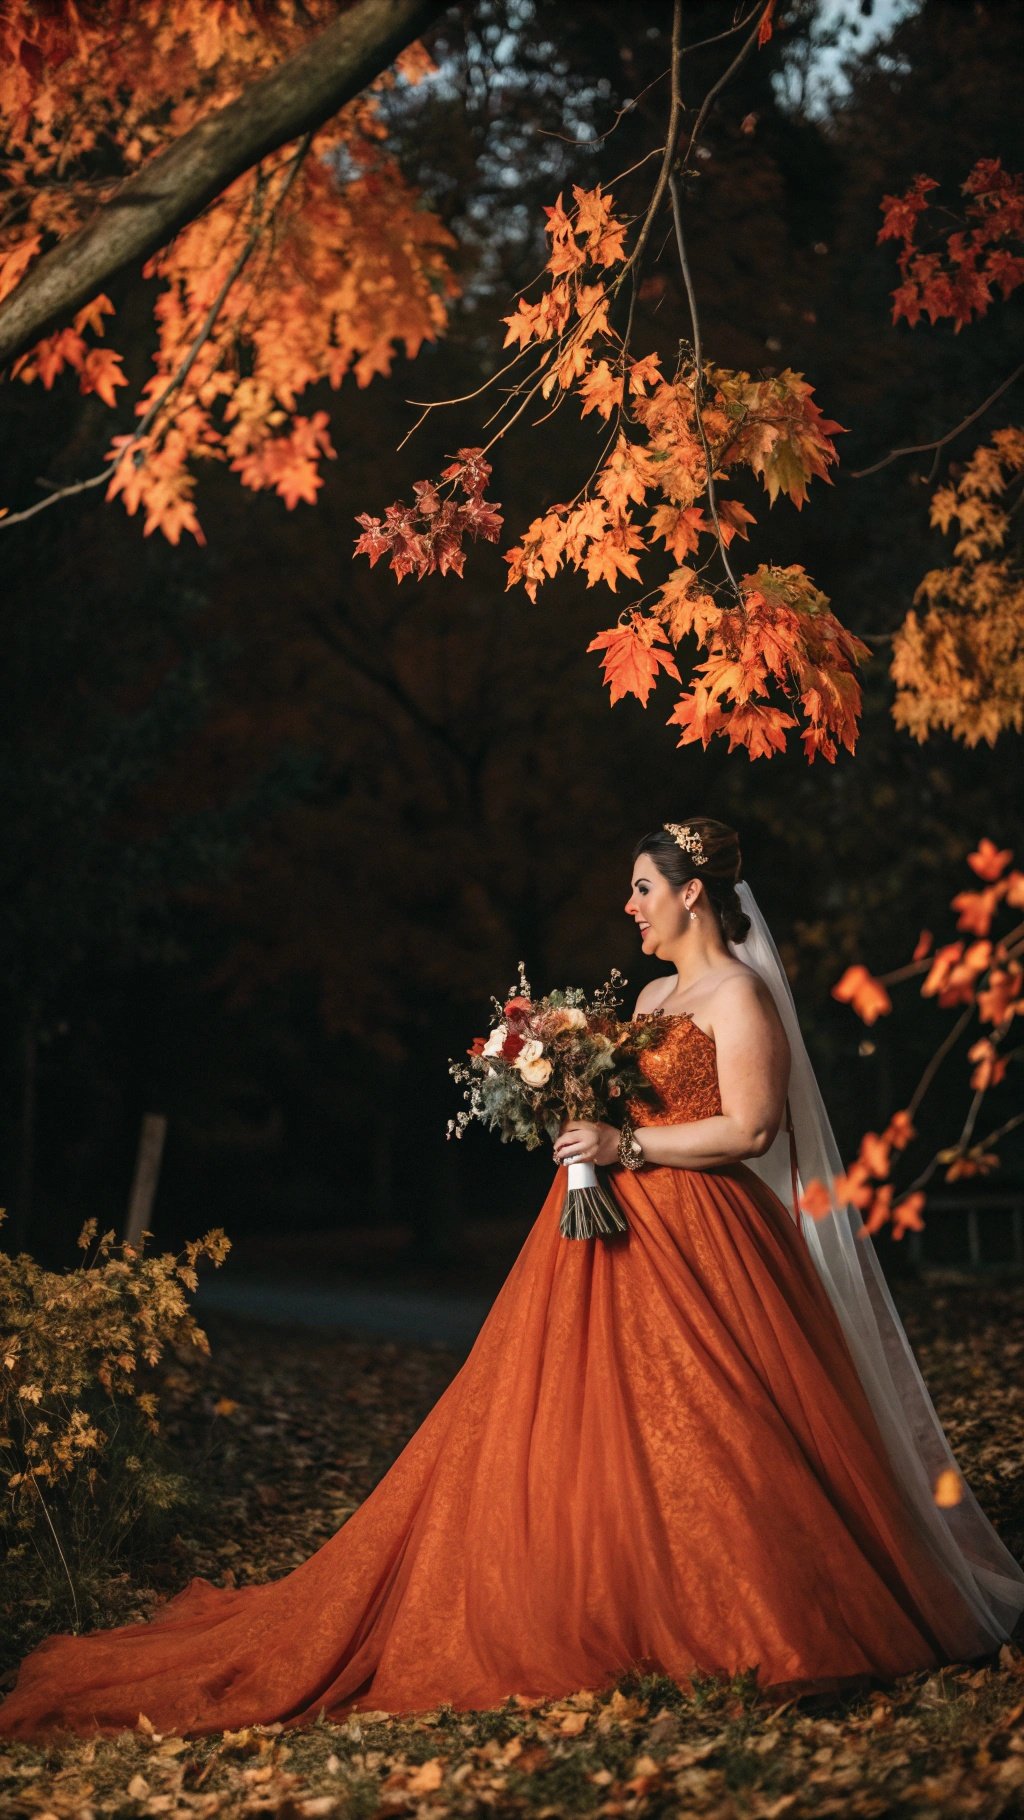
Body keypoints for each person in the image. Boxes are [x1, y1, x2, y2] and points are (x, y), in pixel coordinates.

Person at [1, 817, 1021, 1742]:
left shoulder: (737, 995)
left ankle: (753, 1612)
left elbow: (750, 1128)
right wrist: (563, 1093)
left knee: (716, 1421)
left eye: (639, 887)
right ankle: (603, 1592)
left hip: (704, 1232)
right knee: (581, 1423)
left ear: (693, 892)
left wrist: (625, 1143)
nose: (627, 905)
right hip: (609, 1230)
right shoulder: (659, 995)